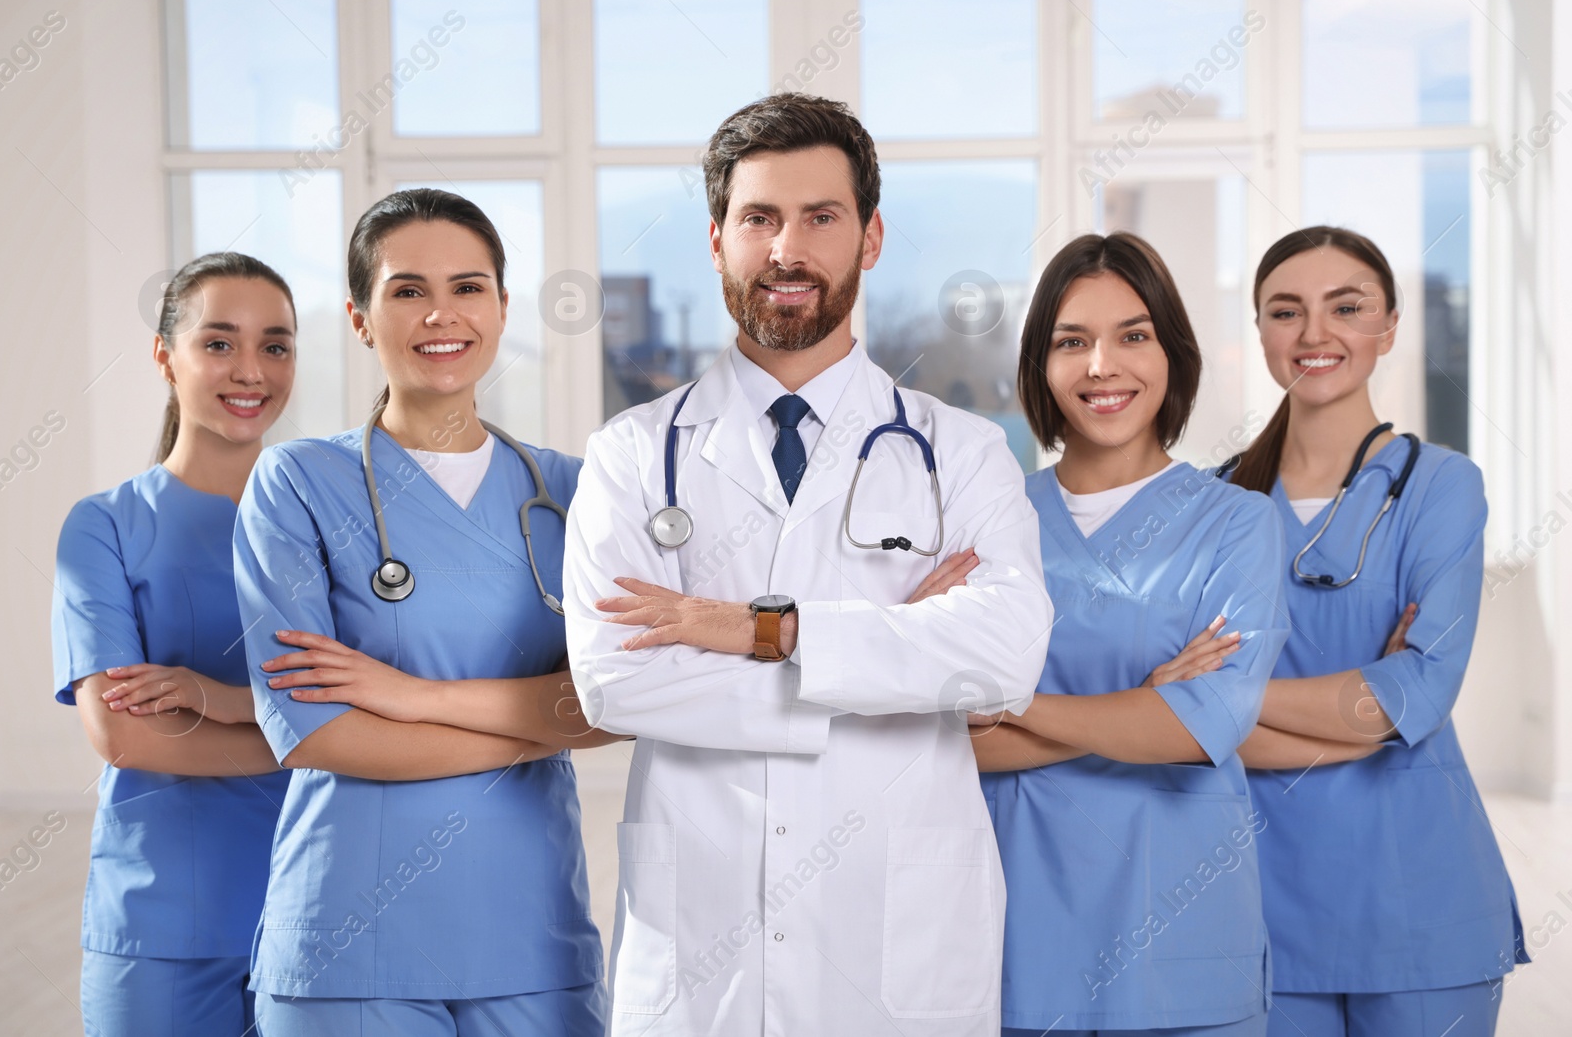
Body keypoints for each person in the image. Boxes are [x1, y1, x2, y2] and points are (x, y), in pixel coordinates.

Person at [561, 92, 1052, 1036]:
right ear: (715, 241)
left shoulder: (963, 451)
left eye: (820, 217)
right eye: (759, 218)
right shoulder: (631, 453)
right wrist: (893, 656)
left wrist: (753, 632)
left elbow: (1003, 658)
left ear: (870, 238)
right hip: (704, 941)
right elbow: (616, 684)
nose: (787, 250)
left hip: (898, 942)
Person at [232, 188, 617, 1037]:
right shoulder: (296, 484)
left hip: (532, 937)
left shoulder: (575, 491)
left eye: (468, 287)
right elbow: (316, 730)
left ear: (504, 307)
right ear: (361, 318)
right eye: (407, 290)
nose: (441, 313)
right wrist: (536, 724)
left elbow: (616, 702)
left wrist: (410, 696)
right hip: (348, 943)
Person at [971, 233, 1287, 1036]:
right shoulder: (987, 523)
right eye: (1071, 341)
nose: (1102, 365)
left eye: (1133, 335)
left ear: (1173, 352)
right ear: (1040, 366)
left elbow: (1205, 721)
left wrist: (1016, 705)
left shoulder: (1239, 523)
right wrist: (1137, 704)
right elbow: (947, 737)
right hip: (1017, 939)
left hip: (1178, 941)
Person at [1226, 225, 1527, 1036]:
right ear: (1260, 332)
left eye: (1346, 307)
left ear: (1389, 325)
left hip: (1419, 895)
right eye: (1286, 311)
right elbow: (1176, 723)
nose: (1314, 334)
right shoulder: (1214, 503)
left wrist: (1229, 702)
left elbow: (1418, 693)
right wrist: (1360, 697)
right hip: (1259, 906)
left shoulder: (1443, 486)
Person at [51, 252, 297, 1036]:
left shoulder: (329, 521)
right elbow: (124, 731)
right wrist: (325, 742)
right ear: (166, 355)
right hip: (161, 923)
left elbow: (375, 690)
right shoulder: (107, 526)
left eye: (276, 345)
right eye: (219, 342)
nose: (250, 370)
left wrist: (216, 701)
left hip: (319, 910)